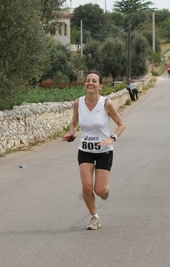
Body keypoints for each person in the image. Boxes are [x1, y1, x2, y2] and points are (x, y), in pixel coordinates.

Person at [62, 71, 125, 230]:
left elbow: (121, 124)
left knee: (99, 190)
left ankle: (104, 190)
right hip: (85, 150)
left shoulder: (107, 104)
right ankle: (94, 217)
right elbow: (74, 123)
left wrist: (112, 138)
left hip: (104, 151)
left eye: (94, 81)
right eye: (88, 80)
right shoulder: (78, 103)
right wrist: (71, 133)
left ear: (100, 86)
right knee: (87, 187)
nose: (90, 83)